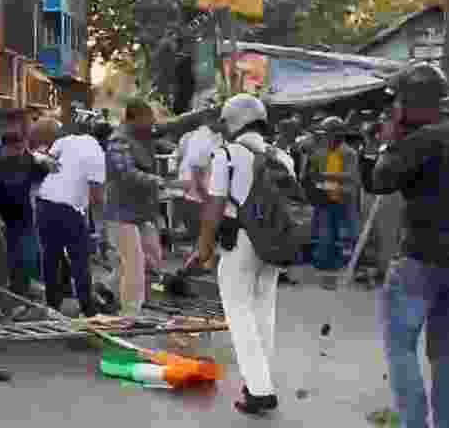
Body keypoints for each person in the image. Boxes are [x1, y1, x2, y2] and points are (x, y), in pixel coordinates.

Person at [190, 93, 294, 415]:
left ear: (234, 121)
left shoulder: (228, 155)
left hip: (240, 242)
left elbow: (215, 207)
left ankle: (259, 390)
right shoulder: (282, 157)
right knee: (264, 311)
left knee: (239, 314)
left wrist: (203, 249)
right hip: (274, 243)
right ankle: (259, 384)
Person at [360, 64, 449, 428]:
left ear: (408, 103)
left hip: (420, 261)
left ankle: (414, 423)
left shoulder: (422, 140)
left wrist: (387, 139)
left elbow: (379, 181)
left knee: (401, 347)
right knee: (445, 354)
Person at [105, 98, 178, 316]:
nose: (153, 123)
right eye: (149, 118)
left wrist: (206, 114)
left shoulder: (145, 134)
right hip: (121, 213)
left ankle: (107, 290)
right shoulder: (119, 141)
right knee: (134, 263)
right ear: (134, 118)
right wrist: (158, 181)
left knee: (152, 259)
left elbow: (175, 125)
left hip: (143, 212)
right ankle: (130, 313)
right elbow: (126, 173)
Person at [35, 117, 106, 318]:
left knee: (51, 256)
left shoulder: (65, 141)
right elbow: (97, 196)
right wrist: (100, 228)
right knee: (79, 259)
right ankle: (88, 310)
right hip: (69, 209)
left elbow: (43, 159)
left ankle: (52, 306)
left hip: (44, 203)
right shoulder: (98, 153)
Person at [0, 131, 52, 300]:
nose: (20, 151)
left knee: (27, 260)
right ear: (5, 147)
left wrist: (49, 163)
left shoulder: (28, 161)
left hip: (24, 219)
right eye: (16, 148)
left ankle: (22, 296)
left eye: (22, 147)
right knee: (2, 263)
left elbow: (45, 171)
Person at [306, 116, 360, 286]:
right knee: (325, 237)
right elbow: (312, 174)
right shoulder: (321, 152)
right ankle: (327, 272)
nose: (325, 137)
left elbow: (351, 176)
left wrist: (325, 177)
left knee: (344, 236)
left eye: (328, 133)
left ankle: (340, 271)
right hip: (325, 199)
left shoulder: (348, 153)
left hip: (343, 199)